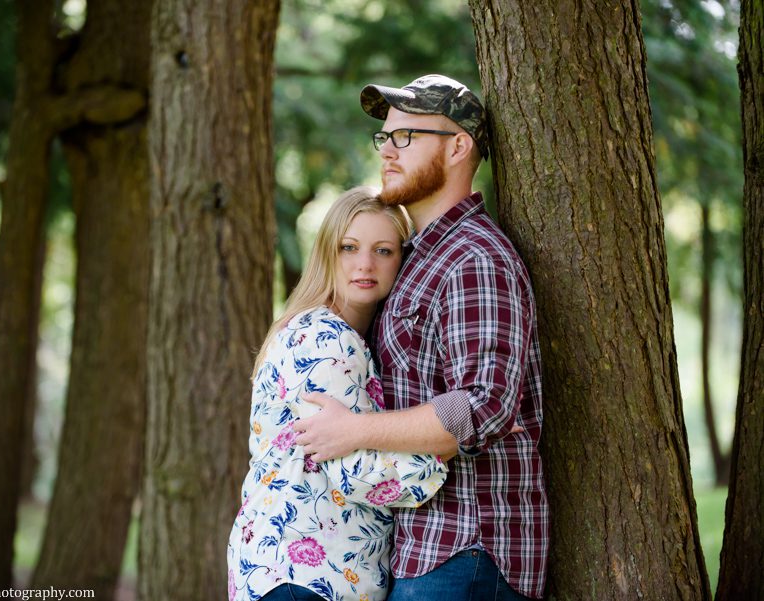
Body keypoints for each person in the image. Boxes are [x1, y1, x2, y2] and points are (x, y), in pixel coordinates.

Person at [293, 75, 549, 600]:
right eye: (384, 137)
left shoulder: (475, 259)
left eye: (405, 136)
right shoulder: (421, 257)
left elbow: (485, 405)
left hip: (470, 547)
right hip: (425, 546)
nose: (387, 150)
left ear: (458, 146)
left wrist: (356, 431)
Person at [227, 187, 449, 601]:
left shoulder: (321, 330)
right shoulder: (328, 338)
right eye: (350, 248)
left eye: (383, 251)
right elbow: (355, 472)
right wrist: (444, 445)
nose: (365, 264)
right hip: (306, 578)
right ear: (328, 252)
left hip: (287, 574)